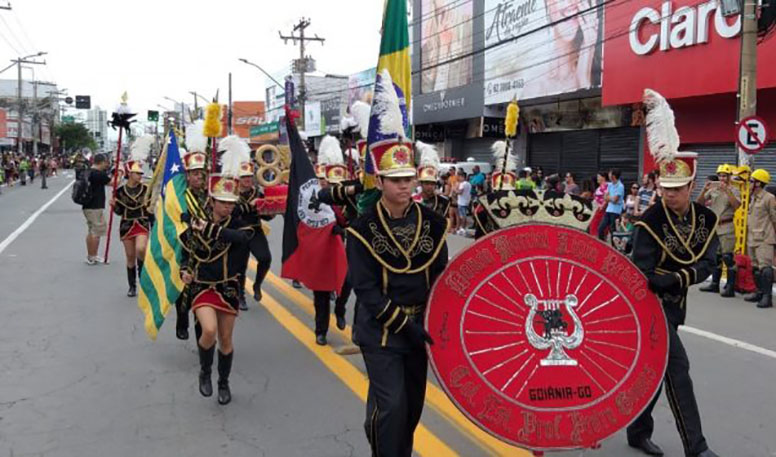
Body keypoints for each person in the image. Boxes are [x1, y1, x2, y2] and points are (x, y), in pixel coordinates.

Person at [627, 88, 721, 457]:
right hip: (651, 306)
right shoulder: (649, 221)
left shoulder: (706, 219)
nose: (670, 195)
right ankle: (697, 448)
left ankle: (637, 430)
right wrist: (660, 280)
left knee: (655, 369)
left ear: (691, 187)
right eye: (665, 189)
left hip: (676, 303)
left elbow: (710, 263)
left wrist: (679, 278)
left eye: (677, 189)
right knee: (677, 369)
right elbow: (641, 272)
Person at [346, 138, 448, 457]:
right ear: (380, 182)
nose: (404, 186)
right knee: (391, 407)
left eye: (409, 179)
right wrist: (405, 324)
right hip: (380, 330)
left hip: (420, 329)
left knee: (411, 409)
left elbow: (443, 279)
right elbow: (365, 289)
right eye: (396, 180)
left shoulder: (433, 224)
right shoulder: (363, 228)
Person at [181, 143, 251, 406]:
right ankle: (204, 371)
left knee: (226, 340)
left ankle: (224, 382)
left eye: (231, 203)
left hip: (228, 287)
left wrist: (211, 229)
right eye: (223, 202)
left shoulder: (237, 223)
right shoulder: (196, 222)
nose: (228, 207)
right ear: (211, 201)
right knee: (208, 330)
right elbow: (185, 250)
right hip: (203, 286)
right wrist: (184, 270)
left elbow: (242, 239)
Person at [175, 123, 210, 341]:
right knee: (183, 290)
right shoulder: (178, 195)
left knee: (203, 291)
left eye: (202, 173)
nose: (199, 177)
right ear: (187, 175)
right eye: (195, 173)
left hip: (208, 248)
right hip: (185, 247)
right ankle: (181, 321)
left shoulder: (212, 194)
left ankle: (202, 333)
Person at [232, 143, 273, 311]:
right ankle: (240, 295)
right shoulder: (232, 193)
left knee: (265, 258)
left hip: (255, 230)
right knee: (240, 266)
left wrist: (271, 212)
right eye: (244, 178)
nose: (247, 180)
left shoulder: (258, 192)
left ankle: (257, 284)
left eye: (249, 177)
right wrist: (252, 206)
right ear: (238, 179)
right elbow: (233, 212)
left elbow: (266, 214)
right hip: (238, 232)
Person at [111, 153, 152, 297]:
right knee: (130, 256)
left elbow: (150, 208)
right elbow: (119, 211)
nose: (140, 175)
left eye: (141, 173)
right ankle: (132, 286)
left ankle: (143, 278)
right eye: (137, 173)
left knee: (141, 249)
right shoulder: (120, 191)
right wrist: (113, 206)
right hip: (126, 224)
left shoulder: (146, 189)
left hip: (141, 222)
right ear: (130, 173)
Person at [697, 164, 740, 297]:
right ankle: (715, 284)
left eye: (725, 176)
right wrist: (705, 189)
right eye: (720, 175)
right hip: (714, 227)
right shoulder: (714, 190)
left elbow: (737, 206)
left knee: (728, 257)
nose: (722, 178)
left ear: (729, 177)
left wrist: (727, 191)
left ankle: (730, 287)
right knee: (716, 257)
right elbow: (699, 203)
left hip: (727, 227)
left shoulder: (734, 189)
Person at [743, 169, 776, 309]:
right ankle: (759, 292)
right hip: (752, 238)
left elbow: (775, 219)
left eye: (751, 181)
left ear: (758, 183)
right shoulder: (752, 197)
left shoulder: (769, 198)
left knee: (765, 268)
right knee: (755, 267)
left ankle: (767, 297)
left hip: (764, 238)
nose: (749, 183)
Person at [82, 153, 112, 265]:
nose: (107, 165)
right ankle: (92, 257)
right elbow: (114, 183)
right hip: (95, 206)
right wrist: (120, 172)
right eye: (106, 162)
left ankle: (91, 255)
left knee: (91, 231)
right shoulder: (98, 174)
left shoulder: (88, 172)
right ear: (102, 162)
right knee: (96, 232)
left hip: (87, 205)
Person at [415, 141, 451, 217]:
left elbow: (447, 223)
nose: (430, 186)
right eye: (427, 183)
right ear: (421, 184)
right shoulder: (412, 201)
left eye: (432, 184)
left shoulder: (443, 202)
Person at [598, 169, 624, 241]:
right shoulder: (610, 185)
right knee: (601, 228)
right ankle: (602, 244)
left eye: (610, 174)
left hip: (616, 211)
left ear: (613, 176)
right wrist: (610, 198)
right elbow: (605, 197)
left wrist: (609, 198)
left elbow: (615, 200)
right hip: (608, 210)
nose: (608, 175)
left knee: (613, 231)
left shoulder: (620, 186)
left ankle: (614, 247)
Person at [454, 169, 471, 235]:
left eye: (459, 176)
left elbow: (460, 192)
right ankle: (463, 228)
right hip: (466, 201)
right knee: (464, 215)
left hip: (462, 202)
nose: (458, 178)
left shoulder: (462, 184)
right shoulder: (468, 184)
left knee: (462, 216)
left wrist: (455, 190)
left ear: (462, 176)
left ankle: (462, 229)